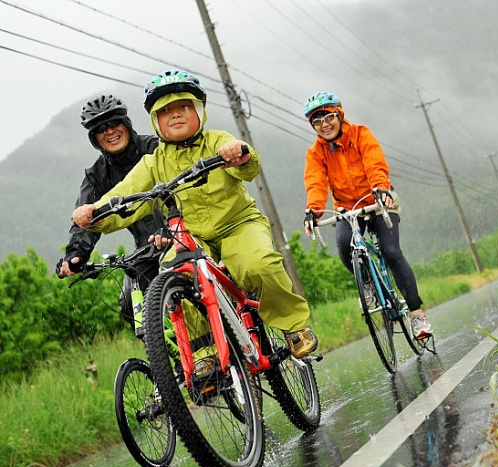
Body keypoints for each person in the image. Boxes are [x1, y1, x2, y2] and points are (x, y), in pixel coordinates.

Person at [71, 69, 317, 364]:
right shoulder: (154, 162)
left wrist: (240, 155)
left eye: (184, 107)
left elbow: (247, 163)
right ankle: (205, 354)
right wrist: (94, 214)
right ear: (155, 121)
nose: (175, 116)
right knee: (174, 273)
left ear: (200, 110)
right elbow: (127, 194)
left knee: (258, 264)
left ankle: (292, 326)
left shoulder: (216, 141)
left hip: (237, 224)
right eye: (165, 112)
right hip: (190, 235)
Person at [301, 91, 433, 339]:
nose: (324, 125)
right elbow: (315, 183)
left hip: (378, 199)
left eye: (328, 117)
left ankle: (417, 314)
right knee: (343, 246)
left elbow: (374, 162)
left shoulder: (361, 134)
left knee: (391, 252)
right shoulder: (316, 153)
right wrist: (314, 210)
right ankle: (369, 284)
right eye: (316, 121)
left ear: (339, 115)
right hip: (348, 209)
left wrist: (381, 187)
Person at [56, 94, 160, 338]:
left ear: (126, 123)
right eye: (100, 129)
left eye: (114, 123)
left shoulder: (155, 148)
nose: (109, 131)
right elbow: (85, 217)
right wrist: (75, 255)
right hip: (146, 250)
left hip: (182, 234)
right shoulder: (97, 174)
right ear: (94, 139)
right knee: (129, 307)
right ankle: (173, 363)